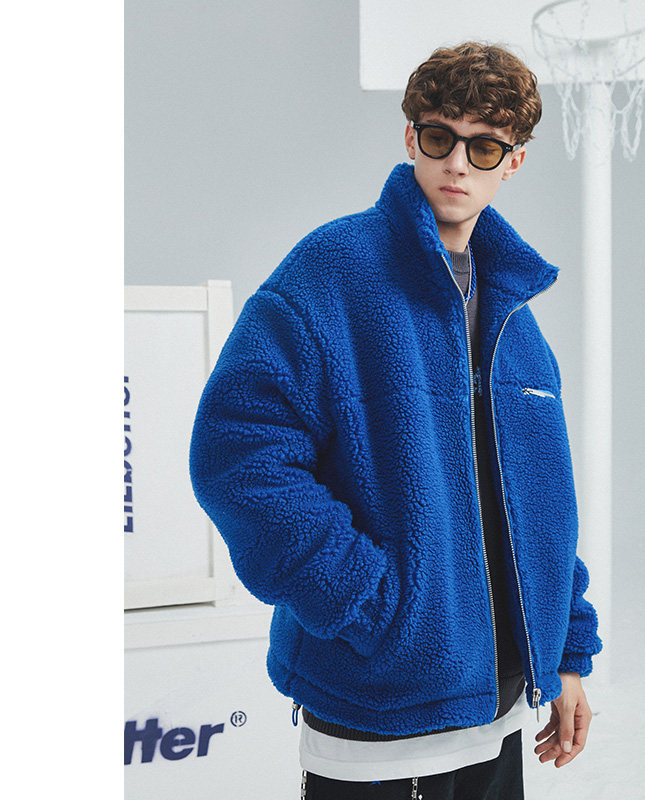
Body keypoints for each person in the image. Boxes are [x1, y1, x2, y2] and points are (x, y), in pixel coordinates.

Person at [189, 40, 602, 800]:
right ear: (411, 138)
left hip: (503, 702)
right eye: (440, 138)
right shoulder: (330, 274)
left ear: (513, 162)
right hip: (381, 705)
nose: (458, 164)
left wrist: (566, 653)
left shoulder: (514, 314)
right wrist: (371, 605)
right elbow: (238, 456)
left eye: (484, 147)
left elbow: (540, 504)